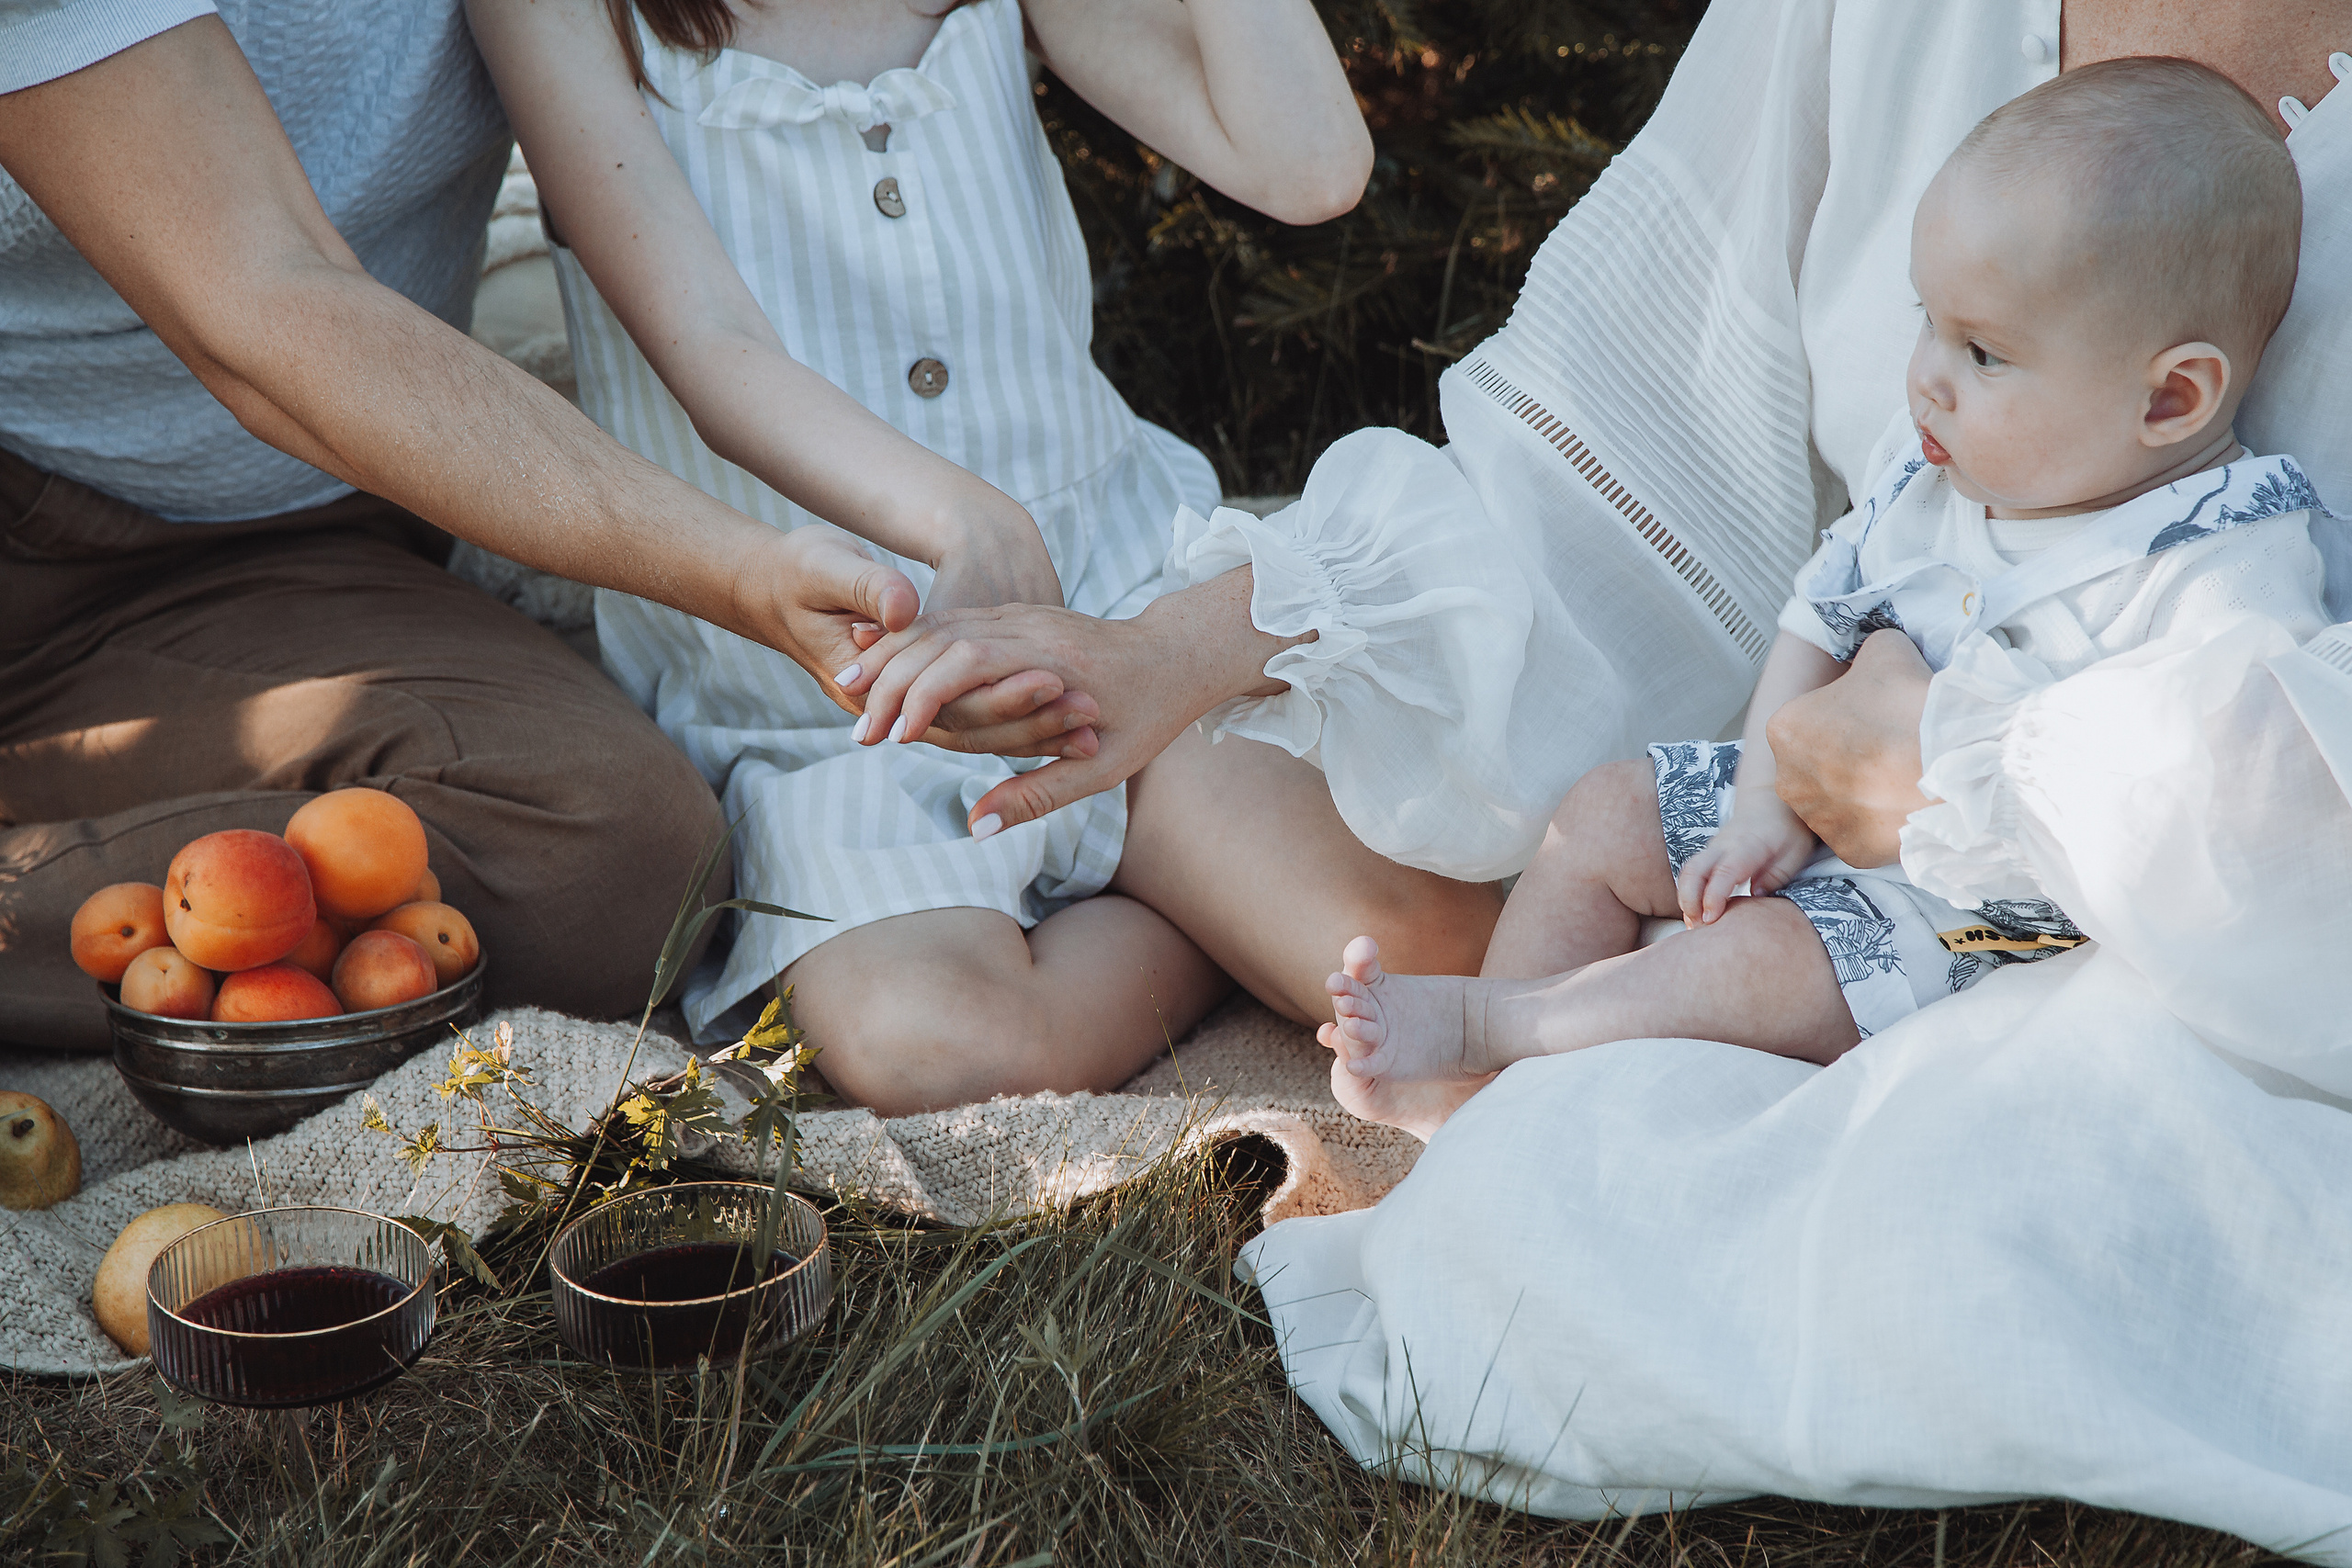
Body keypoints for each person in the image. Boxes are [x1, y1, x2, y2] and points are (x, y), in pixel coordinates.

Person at [0, 2, 1087, 1051]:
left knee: (613, 860)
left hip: (292, 546)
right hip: (35, 508)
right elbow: (262, 312)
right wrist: (739, 568)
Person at [464, 0, 1455, 1112]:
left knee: (1423, 963)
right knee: (934, 1042)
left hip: (1120, 616)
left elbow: (1312, 167)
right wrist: (967, 522)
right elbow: (709, 343)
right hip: (839, 689)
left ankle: (1167, 868)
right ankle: (1186, 914)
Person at [1317, 58, 2333, 1134]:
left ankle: (1495, 1030)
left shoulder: (2222, 565)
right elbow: (1817, 611)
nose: (1926, 377)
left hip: (1984, 918)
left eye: (1983, 351)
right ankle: (1472, 1116)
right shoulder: (1940, 474)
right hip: (1819, 794)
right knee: (1605, 813)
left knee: (1763, 958)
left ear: (2171, 397)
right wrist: (1760, 803)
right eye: (1926, 322)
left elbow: (2217, 781)